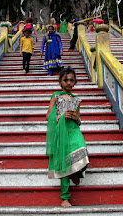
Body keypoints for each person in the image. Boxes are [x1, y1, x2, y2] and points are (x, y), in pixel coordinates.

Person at [46, 67, 89, 208]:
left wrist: (76, 117)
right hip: (61, 132)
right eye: (66, 80)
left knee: (83, 150)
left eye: (72, 80)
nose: (69, 82)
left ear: (75, 82)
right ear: (60, 81)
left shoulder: (77, 100)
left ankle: (76, 172)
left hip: (74, 130)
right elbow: (48, 116)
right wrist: (59, 117)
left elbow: (79, 119)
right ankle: (65, 198)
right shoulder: (56, 97)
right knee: (64, 164)